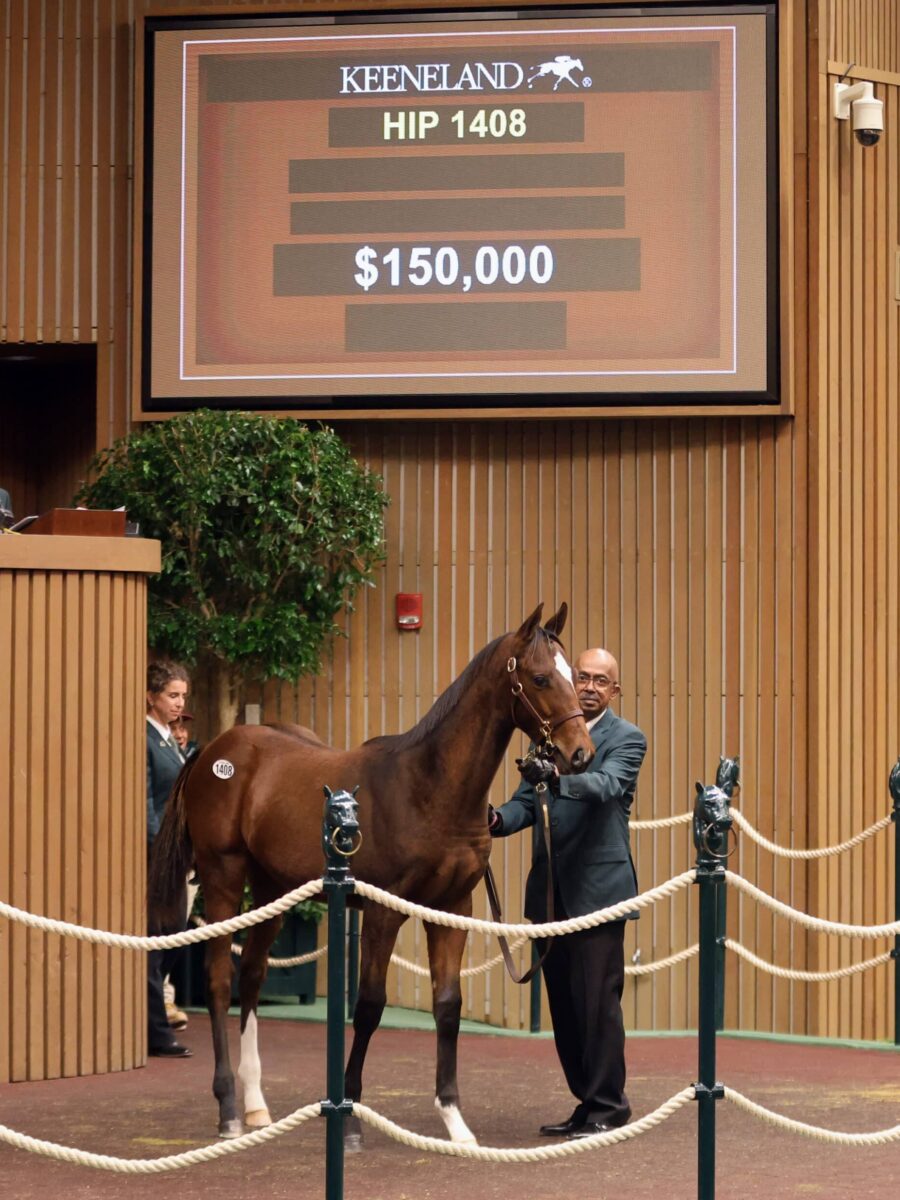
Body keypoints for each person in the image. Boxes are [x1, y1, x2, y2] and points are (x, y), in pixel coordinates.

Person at [489, 647, 646, 1138]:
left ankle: (609, 1107)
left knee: (598, 1005)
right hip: (551, 899)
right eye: (584, 677)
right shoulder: (547, 736)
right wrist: (493, 821)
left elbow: (604, 785)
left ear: (614, 691)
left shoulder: (628, 739)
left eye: (602, 680)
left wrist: (556, 777)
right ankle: (586, 1101)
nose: (591, 686)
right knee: (564, 1007)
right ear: (570, 680)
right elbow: (523, 807)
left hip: (600, 893)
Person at [146, 660, 193, 1058]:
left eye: (182, 696)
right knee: (157, 939)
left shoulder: (168, 740)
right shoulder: (145, 738)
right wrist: (158, 847)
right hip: (156, 855)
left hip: (176, 856)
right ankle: (156, 1031)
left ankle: (154, 1019)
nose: (179, 703)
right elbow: (146, 799)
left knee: (174, 933)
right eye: (172, 695)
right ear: (151, 697)